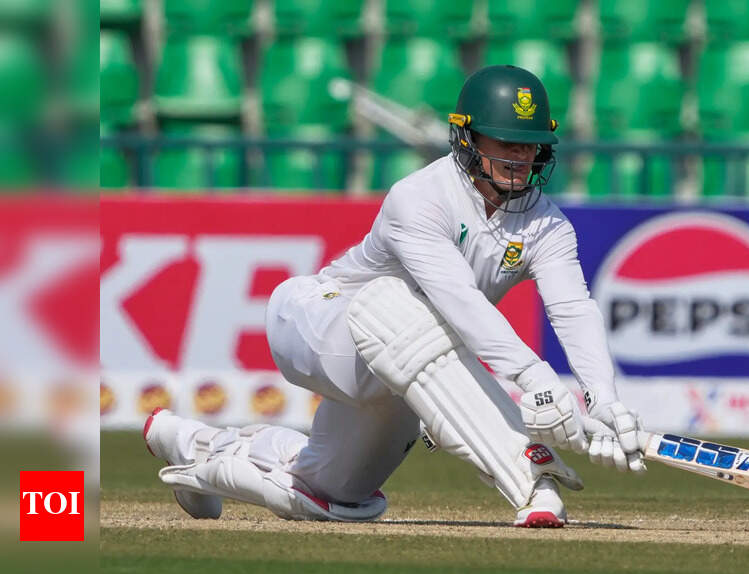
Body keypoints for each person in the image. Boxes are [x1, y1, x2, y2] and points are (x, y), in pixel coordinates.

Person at [143, 65, 645, 528]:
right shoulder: (421, 197)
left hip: (403, 366)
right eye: (506, 142)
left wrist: (602, 398)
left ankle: (196, 450)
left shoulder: (547, 224)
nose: (519, 157)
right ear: (467, 137)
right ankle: (533, 482)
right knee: (399, 305)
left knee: (325, 496)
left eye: (530, 146)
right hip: (321, 325)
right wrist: (535, 379)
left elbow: (573, 310)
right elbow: (460, 302)